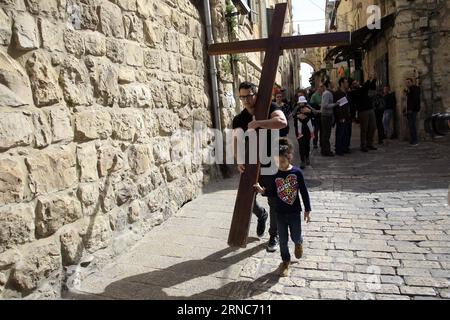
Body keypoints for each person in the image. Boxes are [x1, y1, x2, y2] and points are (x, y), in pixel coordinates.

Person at [232, 81, 288, 252]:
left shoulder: (269, 107)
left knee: (274, 200)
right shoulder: (239, 118)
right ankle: (261, 215)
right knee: (247, 200)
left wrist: (259, 123)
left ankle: (274, 235)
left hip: (271, 162)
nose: (246, 100)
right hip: (251, 164)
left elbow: (282, 122)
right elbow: (236, 140)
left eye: (249, 95)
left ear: (255, 94)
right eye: (242, 97)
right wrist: (239, 160)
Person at [254, 138, 312, 277]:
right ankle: (285, 262)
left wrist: (307, 210)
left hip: (294, 213)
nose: (279, 165)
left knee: (295, 235)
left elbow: (304, 192)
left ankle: (299, 242)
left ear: (289, 157)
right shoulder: (276, 174)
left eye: (282, 161)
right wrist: (262, 191)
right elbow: (273, 192)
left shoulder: (297, 173)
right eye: (276, 162)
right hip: (279, 213)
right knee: (283, 241)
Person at [294, 96, 314, 169]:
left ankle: (307, 157)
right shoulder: (296, 108)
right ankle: (302, 160)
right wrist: (298, 116)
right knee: (301, 145)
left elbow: (314, 115)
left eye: (303, 102)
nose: (302, 104)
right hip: (299, 130)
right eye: (300, 103)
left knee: (307, 144)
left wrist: (309, 112)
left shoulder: (308, 108)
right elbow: (293, 116)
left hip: (307, 130)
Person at [333, 77, 351, 155]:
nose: (347, 84)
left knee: (346, 133)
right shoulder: (338, 93)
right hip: (342, 117)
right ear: (342, 83)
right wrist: (341, 117)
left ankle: (345, 148)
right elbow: (338, 106)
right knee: (340, 133)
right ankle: (338, 149)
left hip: (347, 116)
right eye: (346, 82)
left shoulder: (346, 93)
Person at [320, 80, 336, 156]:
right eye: (332, 83)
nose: (334, 84)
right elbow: (325, 105)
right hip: (326, 116)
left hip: (327, 116)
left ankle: (325, 150)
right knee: (326, 134)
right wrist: (335, 104)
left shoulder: (327, 93)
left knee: (325, 134)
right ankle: (326, 151)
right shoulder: (327, 93)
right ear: (329, 84)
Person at [403, 78, 421, 146]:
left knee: (412, 125)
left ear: (412, 82)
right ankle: (412, 140)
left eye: (408, 82)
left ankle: (415, 140)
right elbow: (407, 101)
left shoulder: (414, 89)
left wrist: (411, 109)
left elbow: (415, 100)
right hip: (409, 110)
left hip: (412, 110)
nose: (407, 84)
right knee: (411, 125)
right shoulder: (409, 90)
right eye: (406, 82)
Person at [309, 84, 324, 149]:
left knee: (322, 130)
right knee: (316, 130)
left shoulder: (324, 95)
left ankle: (321, 143)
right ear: (318, 88)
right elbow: (311, 105)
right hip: (316, 116)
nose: (321, 89)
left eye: (322, 87)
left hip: (322, 115)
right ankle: (315, 143)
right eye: (320, 87)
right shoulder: (314, 95)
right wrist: (318, 105)